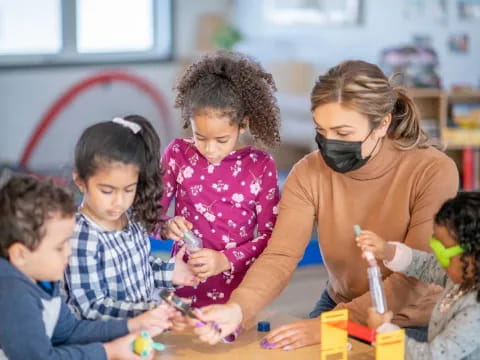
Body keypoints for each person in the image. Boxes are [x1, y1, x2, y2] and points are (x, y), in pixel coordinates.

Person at [193, 60, 459, 349]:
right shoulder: (308, 172)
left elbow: (414, 277)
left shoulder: (433, 171)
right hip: (339, 304)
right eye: (322, 130)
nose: (329, 143)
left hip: (414, 321)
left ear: (383, 124)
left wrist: (331, 325)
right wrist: (238, 308)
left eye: (343, 133)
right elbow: (281, 255)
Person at [0, 174, 175, 360]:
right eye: (60, 247)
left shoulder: (41, 279)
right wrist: (109, 352)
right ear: (20, 254)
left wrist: (133, 325)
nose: (69, 252)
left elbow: (69, 332)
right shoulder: (12, 294)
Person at [159, 50, 281, 307]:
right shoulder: (177, 154)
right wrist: (165, 227)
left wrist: (225, 260)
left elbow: (272, 237)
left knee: (234, 347)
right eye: (200, 137)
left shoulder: (260, 166)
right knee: (180, 344)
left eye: (221, 140)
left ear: (243, 124)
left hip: (237, 293)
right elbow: (148, 215)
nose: (209, 149)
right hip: (182, 283)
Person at [63, 115, 197, 320]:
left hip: (140, 337)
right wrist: (151, 310)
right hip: (105, 345)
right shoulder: (81, 236)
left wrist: (171, 272)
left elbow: (138, 270)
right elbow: (91, 307)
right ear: (80, 181)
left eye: (128, 190)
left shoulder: (131, 218)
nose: (119, 202)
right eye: (107, 191)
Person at [361, 192, 480, 359]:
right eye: (435, 245)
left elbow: (432, 357)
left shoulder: (475, 310)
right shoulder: (462, 279)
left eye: (443, 252)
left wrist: (384, 332)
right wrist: (387, 251)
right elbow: (426, 265)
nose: (438, 259)